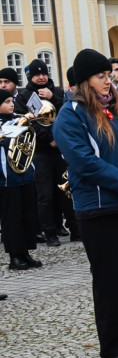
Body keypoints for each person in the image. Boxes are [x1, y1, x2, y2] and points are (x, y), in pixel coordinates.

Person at [52, 49, 118, 358]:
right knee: (110, 279)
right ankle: (114, 344)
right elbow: (85, 163)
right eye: (100, 76)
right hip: (98, 208)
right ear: (85, 81)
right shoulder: (71, 115)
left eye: (108, 75)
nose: (107, 82)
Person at [15, 59, 73, 246]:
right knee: (45, 195)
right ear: (31, 76)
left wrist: (53, 97)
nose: (41, 77)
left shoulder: (56, 92)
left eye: (44, 74)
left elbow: (66, 112)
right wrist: (49, 139)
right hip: (40, 152)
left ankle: (72, 227)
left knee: (65, 191)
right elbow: (26, 123)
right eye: (37, 74)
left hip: (60, 151)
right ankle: (49, 231)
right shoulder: (24, 96)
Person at [0, 89, 42, 270]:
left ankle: (26, 252)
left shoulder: (17, 119)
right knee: (12, 217)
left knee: (27, 214)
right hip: (6, 178)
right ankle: (14, 256)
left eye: (11, 101)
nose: (11, 104)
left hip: (24, 173)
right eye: (7, 101)